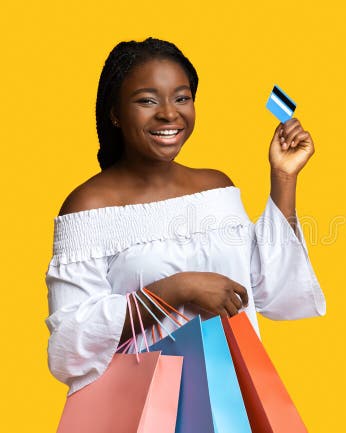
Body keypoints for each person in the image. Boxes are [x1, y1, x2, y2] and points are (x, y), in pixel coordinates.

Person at [44, 37, 326, 395]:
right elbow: (70, 345)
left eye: (182, 98)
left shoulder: (216, 189)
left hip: (230, 402)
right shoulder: (88, 207)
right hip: (140, 409)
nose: (169, 113)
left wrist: (284, 177)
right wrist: (175, 289)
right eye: (147, 100)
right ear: (115, 113)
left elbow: (273, 291)